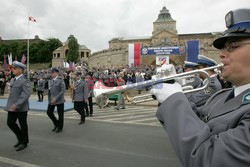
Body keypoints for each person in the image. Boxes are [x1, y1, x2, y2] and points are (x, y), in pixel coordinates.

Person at [150, 8, 250, 167]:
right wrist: (169, 96)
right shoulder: (222, 96)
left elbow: (208, 159)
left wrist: (174, 100)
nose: (222, 54)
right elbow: (196, 124)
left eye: (233, 46)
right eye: (223, 48)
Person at [5, 61, 32, 151]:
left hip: (21, 107)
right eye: (13, 68)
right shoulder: (13, 80)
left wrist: (17, 104)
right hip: (12, 106)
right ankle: (21, 138)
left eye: (15, 68)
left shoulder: (25, 81)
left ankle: (24, 142)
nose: (13, 70)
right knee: (10, 123)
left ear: (20, 70)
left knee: (23, 125)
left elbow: (26, 94)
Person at [47, 67, 65, 133]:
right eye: (51, 72)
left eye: (53, 72)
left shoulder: (60, 80)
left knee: (60, 114)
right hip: (51, 100)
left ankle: (60, 127)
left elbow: (62, 90)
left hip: (59, 100)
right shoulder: (50, 81)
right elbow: (49, 91)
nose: (51, 74)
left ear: (57, 73)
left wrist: (56, 98)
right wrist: (49, 100)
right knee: (49, 112)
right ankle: (56, 124)